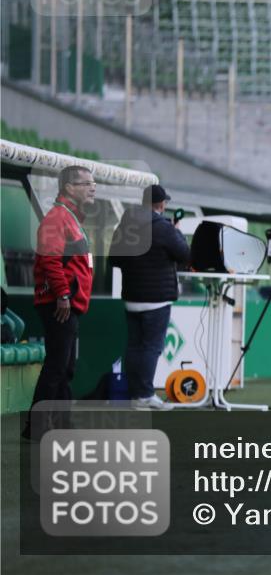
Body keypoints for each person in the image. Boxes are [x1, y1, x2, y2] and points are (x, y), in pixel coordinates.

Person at [24, 166, 96, 437]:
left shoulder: (69, 218)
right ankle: (37, 426)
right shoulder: (57, 218)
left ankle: (61, 423)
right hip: (59, 304)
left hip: (67, 304)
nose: (93, 187)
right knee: (57, 367)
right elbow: (50, 260)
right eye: (86, 183)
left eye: (93, 183)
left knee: (65, 368)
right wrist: (63, 295)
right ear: (69, 188)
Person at [109, 184, 190, 409]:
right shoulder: (164, 228)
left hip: (132, 296)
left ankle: (136, 394)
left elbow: (114, 259)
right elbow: (185, 254)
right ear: (161, 205)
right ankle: (144, 394)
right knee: (151, 347)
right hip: (156, 299)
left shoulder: (126, 224)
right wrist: (177, 231)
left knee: (135, 346)